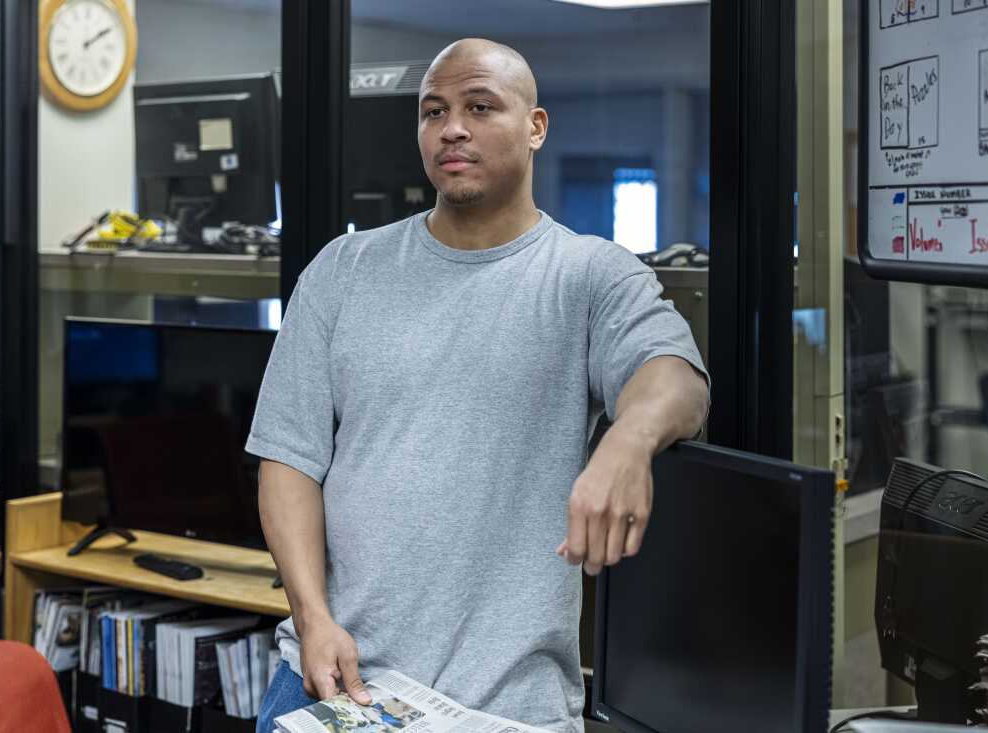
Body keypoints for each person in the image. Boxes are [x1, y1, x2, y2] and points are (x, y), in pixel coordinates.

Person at [247, 38, 710, 733]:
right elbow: (288, 460)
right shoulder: (343, 269)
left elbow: (676, 376)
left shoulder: (589, 274)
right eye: (434, 111)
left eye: (480, 106)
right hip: (332, 682)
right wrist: (312, 618)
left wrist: (628, 440)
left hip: (502, 708)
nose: (452, 127)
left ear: (536, 126)